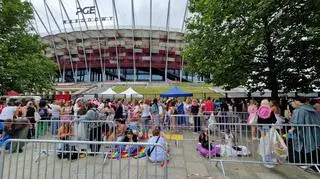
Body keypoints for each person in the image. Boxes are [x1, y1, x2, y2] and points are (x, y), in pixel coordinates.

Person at [288, 96, 320, 172]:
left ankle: (305, 164)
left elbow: (297, 124)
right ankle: (312, 164)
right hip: (312, 132)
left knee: (302, 147)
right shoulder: (311, 108)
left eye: (293, 101)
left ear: (298, 101)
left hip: (303, 134)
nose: (293, 103)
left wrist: (292, 129)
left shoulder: (300, 110)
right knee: (311, 148)